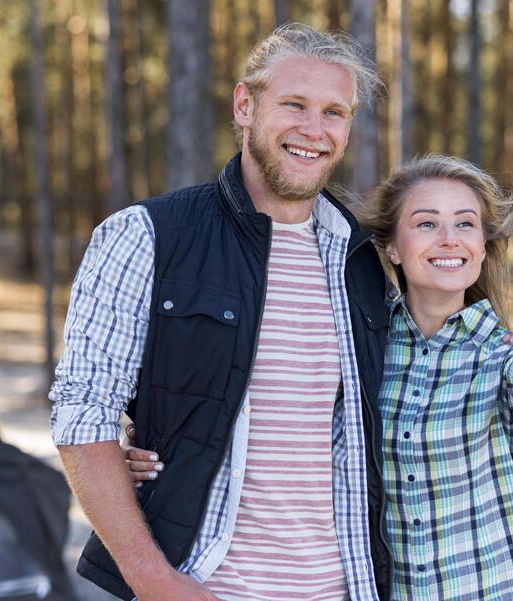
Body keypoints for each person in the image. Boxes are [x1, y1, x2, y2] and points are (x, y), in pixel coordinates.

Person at [127, 154, 513, 599]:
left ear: (483, 245)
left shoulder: (499, 351)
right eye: (427, 223)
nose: (449, 238)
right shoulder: (357, 344)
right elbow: (269, 403)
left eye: (466, 223)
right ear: (392, 245)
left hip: (493, 589)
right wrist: (153, 438)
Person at [49, 23, 394, 601]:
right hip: (204, 585)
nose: (314, 130)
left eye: (335, 112)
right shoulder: (147, 236)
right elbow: (83, 415)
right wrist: (154, 581)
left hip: (346, 587)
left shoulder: (361, 261)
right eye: (294, 104)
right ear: (245, 104)